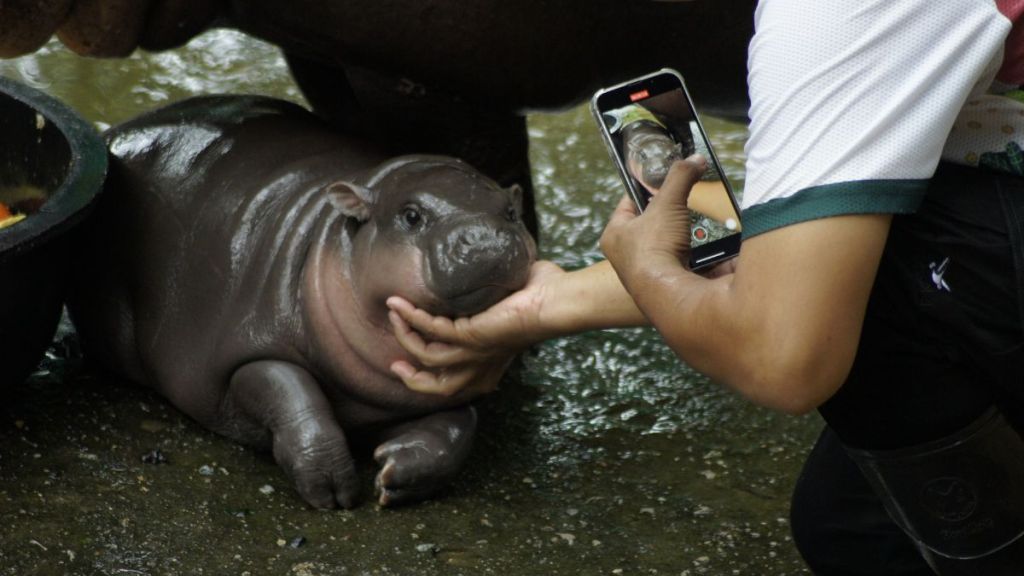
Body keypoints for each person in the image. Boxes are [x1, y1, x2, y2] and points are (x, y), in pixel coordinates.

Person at [385, 2, 1024, 574]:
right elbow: (804, 250)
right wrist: (548, 304)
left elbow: (783, 356)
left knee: (886, 273)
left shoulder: (831, 19)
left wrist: (649, 270)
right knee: (846, 527)